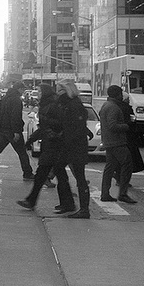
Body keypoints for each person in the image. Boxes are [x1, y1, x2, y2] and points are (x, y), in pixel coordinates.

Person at [17, 84, 62, 210]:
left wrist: (48, 125)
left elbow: (55, 124)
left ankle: (32, 200)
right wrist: (30, 140)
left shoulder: (51, 105)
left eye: (40, 91)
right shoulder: (47, 105)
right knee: (51, 175)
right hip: (50, 144)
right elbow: (43, 128)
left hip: (54, 145)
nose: (38, 93)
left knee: (45, 175)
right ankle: (32, 200)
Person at [0, 80, 34, 181]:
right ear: (19, 89)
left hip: (2, 129)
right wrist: (16, 131)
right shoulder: (16, 100)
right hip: (11, 131)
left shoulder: (6, 98)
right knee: (22, 152)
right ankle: (27, 173)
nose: (23, 91)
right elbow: (15, 117)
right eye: (23, 89)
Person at [52, 79, 92, 219]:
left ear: (66, 90)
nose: (57, 94)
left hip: (75, 146)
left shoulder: (73, 104)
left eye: (59, 90)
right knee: (59, 168)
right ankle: (67, 203)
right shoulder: (67, 104)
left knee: (80, 178)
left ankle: (84, 210)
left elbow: (76, 127)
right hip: (69, 145)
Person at [99, 85, 137, 204]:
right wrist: (127, 125)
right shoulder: (114, 108)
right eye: (120, 93)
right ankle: (123, 193)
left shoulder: (106, 105)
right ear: (117, 94)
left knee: (110, 167)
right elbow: (112, 125)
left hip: (109, 141)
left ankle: (105, 193)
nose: (122, 96)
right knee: (127, 164)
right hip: (116, 142)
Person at [113, 92, 144, 186]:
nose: (129, 101)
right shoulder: (125, 108)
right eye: (128, 99)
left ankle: (119, 177)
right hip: (128, 137)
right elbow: (131, 121)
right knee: (127, 161)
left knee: (118, 160)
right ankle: (122, 182)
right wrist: (130, 125)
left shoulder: (116, 107)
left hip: (121, 137)